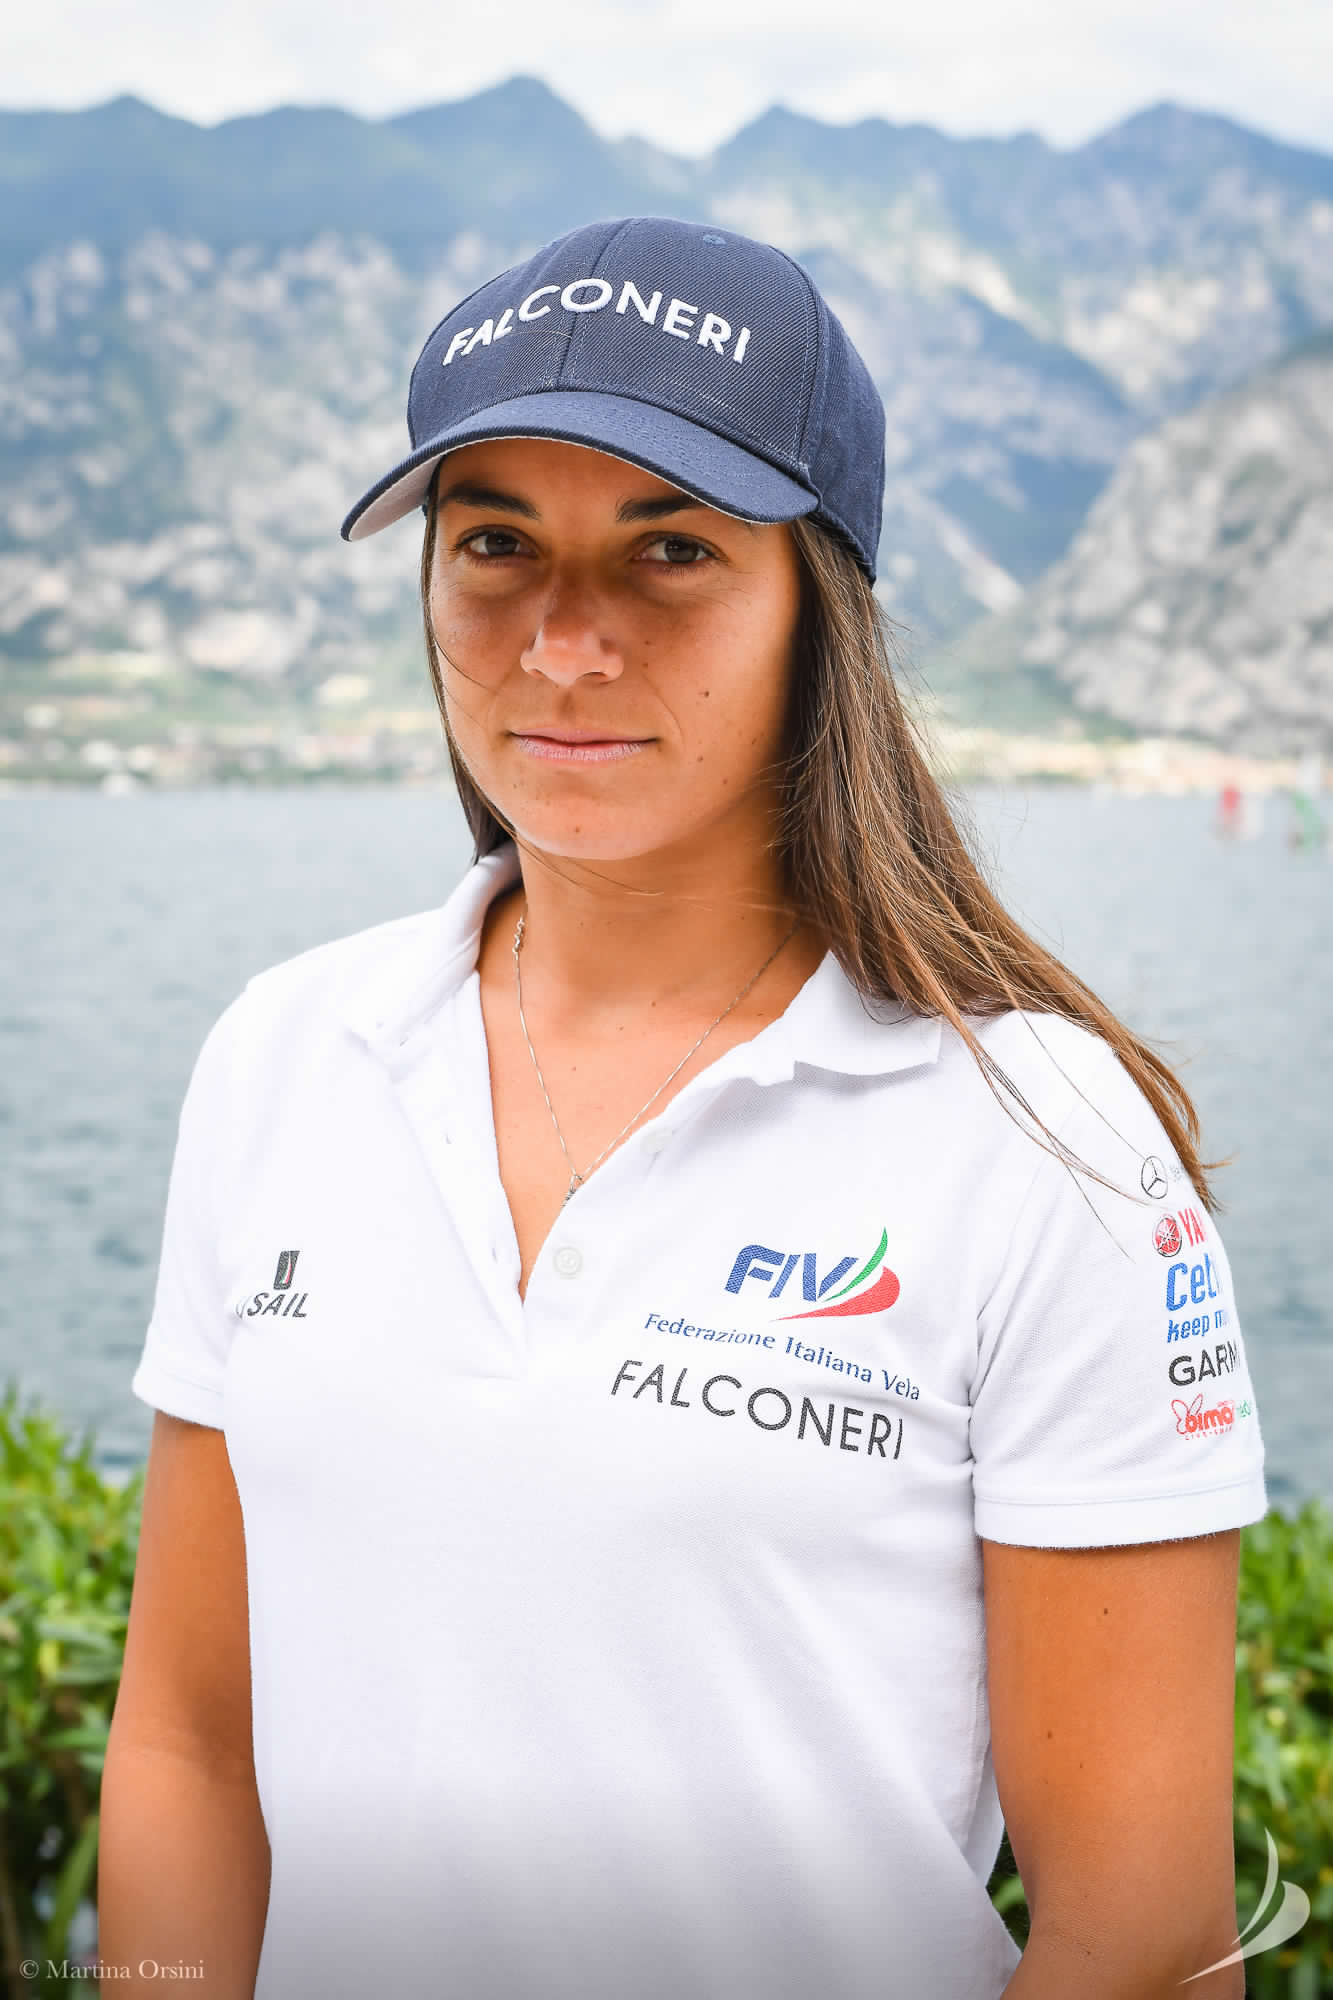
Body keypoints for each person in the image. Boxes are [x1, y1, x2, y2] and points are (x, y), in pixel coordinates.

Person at [101, 216, 1266, 1999]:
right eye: (495, 544)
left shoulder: (1045, 1141)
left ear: (819, 610)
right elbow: (191, 1742)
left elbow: (1146, 1938)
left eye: (671, 550)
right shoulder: (286, 1053)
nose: (565, 642)